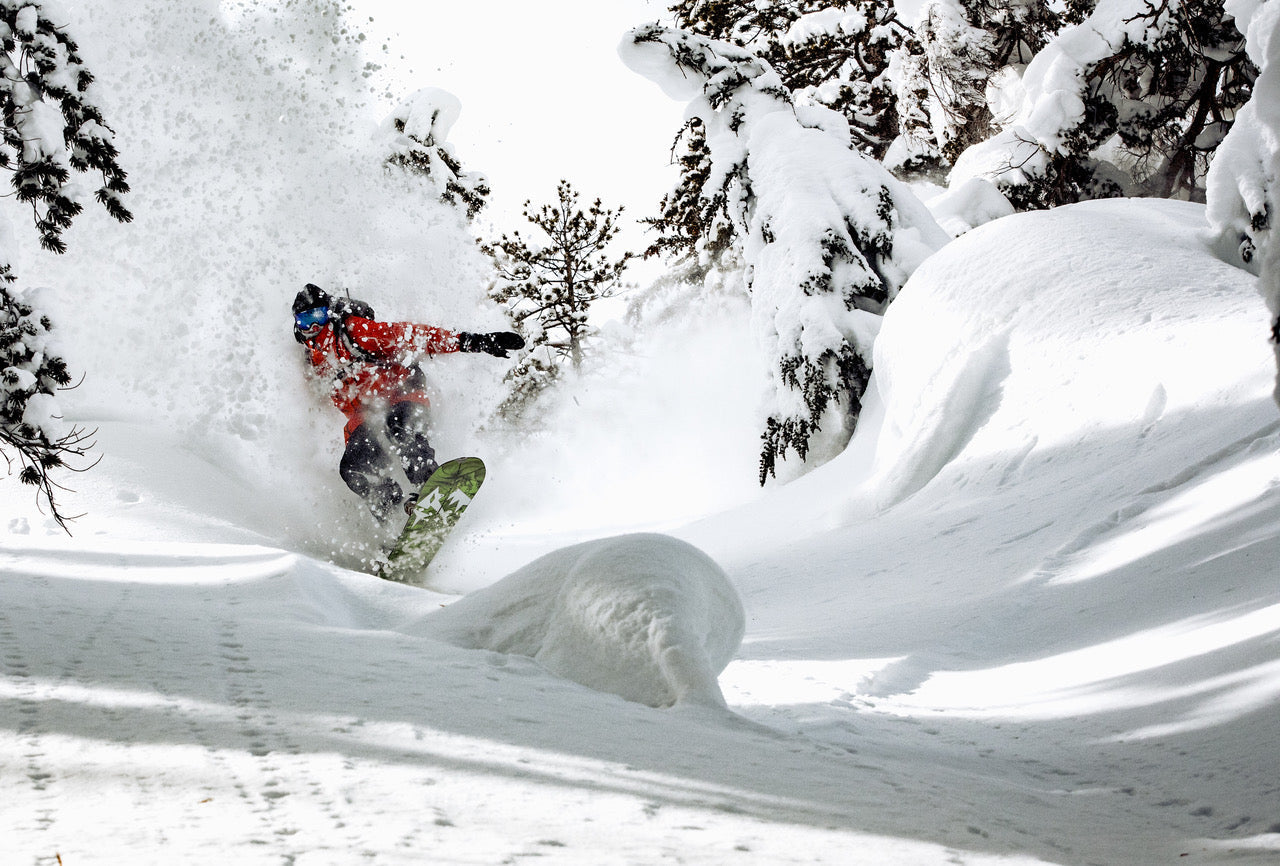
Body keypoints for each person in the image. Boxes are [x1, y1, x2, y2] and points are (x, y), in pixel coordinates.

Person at [293, 283, 523, 521]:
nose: (312, 327)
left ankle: (429, 486)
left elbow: (413, 336)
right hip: (367, 415)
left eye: (317, 316)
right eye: (304, 320)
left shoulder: (356, 332)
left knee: (399, 426)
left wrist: (472, 341)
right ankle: (394, 517)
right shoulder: (313, 361)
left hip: (402, 393)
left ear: (329, 313)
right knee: (353, 468)